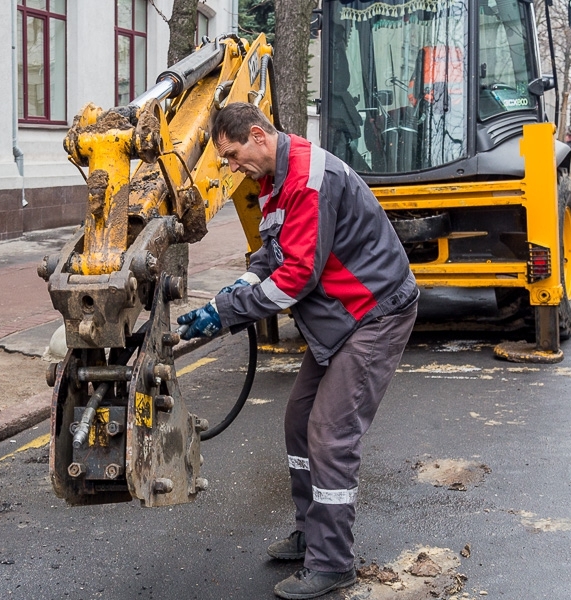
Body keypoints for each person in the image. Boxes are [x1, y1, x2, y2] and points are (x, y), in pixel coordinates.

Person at [177, 102, 419, 600]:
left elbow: (294, 279)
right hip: (342, 318)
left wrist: (226, 314)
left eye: (231, 154)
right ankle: (312, 532)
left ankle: (333, 563)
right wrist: (228, 296)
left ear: (258, 135)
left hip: (373, 314)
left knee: (330, 434)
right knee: (298, 421)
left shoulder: (307, 181)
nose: (229, 165)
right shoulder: (273, 180)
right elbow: (271, 254)